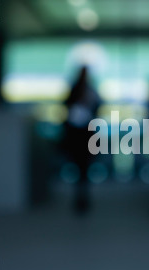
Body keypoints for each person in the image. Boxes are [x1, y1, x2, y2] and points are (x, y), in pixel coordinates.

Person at [60, 67, 101, 214]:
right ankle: (80, 200)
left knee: (84, 171)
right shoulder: (74, 91)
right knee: (80, 170)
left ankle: (83, 200)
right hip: (76, 136)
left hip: (85, 136)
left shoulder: (91, 91)